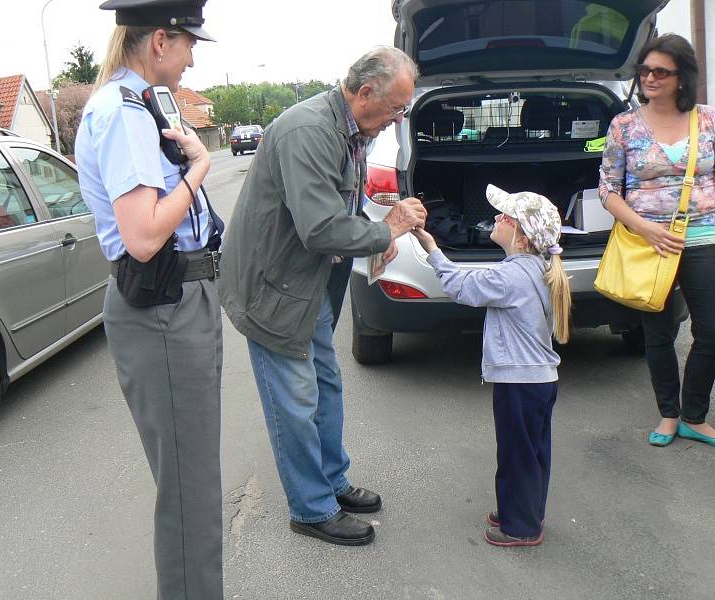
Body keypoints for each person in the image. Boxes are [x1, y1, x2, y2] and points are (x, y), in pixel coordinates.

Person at [218, 46, 426, 546]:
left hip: (307, 285)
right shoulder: (308, 130)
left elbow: (338, 208)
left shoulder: (350, 129)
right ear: (365, 91)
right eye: (396, 108)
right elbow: (320, 228)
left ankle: (331, 482)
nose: (398, 119)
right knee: (295, 399)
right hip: (274, 290)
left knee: (325, 385)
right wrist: (387, 230)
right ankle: (310, 509)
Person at [74, 1, 224, 598]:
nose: (191, 59)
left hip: (178, 303)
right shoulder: (124, 112)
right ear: (160, 41)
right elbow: (142, 237)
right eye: (189, 43)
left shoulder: (139, 104)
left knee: (193, 485)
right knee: (191, 496)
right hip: (165, 307)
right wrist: (200, 167)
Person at [412, 184, 571, 547]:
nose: (496, 218)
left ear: (519, 232)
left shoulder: (511, 276)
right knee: (532, 452)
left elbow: (460, 286)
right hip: (540, 381)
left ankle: (521, 527)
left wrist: (432, 248)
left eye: (504, 215)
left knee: (517, 455)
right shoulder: (535, 266)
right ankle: (526, 509)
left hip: (520, 383)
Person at [598, 33, 715, 448]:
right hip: (647, 243)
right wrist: (644, 228)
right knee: (659, 334)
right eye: (644, 70)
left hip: (704, 237)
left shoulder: (708, 120)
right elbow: (608, 189)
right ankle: (669, 414)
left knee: (710, 331)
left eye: (660, 71)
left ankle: (694, 416)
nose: (649, 77)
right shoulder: (624, 126)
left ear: (682, 77)